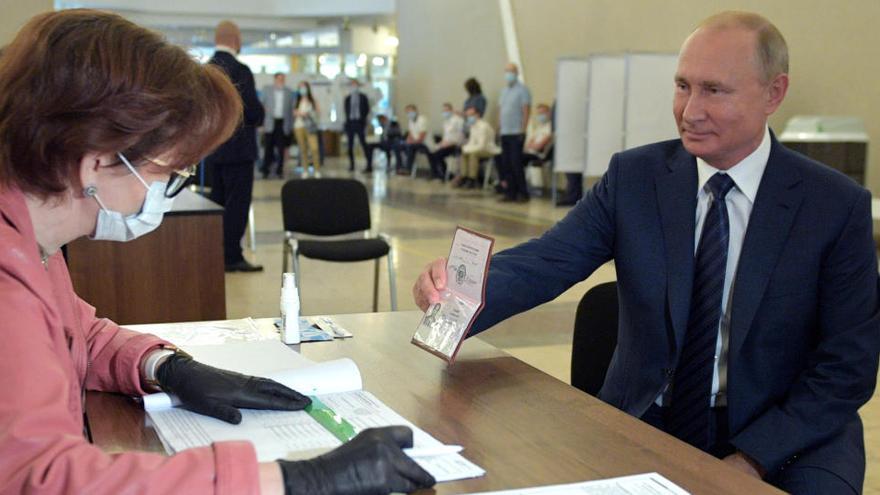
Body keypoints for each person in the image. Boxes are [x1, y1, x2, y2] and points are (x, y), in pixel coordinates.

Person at [414, 11, 879, 494]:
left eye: (714, 91)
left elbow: (848, 365)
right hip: (650, 416)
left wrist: (752, 459)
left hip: (786, 435)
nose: (690, 110)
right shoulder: (634, 179)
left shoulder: (834, 207)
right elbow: (547, 261)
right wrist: (458, 291)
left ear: (773, 93)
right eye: (682, 86)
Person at [0, 10, 435, 495]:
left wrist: (164, 366)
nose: (167, 190)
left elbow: (75, 334)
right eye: (170, 170)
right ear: (97, 162)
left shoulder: (32, 243)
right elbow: (44, 480)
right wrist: (296, 479)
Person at [204, 20, 264, 273]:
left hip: (212, 150)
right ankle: (231, 255)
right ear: (236, 41)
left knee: (216, 202)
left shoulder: (205, 71)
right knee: (237, 203)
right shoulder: (240, 71)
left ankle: (213, 252)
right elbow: (253, 112)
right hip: (239, 150)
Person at [497, 63, 532, 202]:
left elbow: (526, 110)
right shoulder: (504, 91)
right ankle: (510, 192)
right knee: (506, 163)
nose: (508, 74)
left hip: (516, 131)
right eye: (506, 71)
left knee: (516, 163)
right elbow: (501, 110)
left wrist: (523, 129)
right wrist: (498, 127)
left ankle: (523, 193)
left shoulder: (523, 90)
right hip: (505, 131)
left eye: (511, 71)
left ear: (516, 73)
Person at [259, 72, 293, 179]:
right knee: (268, 148)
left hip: (282, 123)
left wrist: (290, 126)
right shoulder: (267, 90)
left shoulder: (288, 92)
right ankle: (266, 170)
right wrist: (261, 123)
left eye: (283, 79)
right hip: (270, 122)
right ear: (275, 79)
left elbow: (290, 110)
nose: (281, 80)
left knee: (281, 148)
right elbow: (261, 106)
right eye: (279, 78)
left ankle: (279, 170)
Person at [457, 107, 500, 189]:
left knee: (473, 154)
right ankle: (464, 177)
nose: (469, 117)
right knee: (464, 153)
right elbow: (471, 142)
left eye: (471, 115)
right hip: (478, 148)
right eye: (468, 115)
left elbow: (481, 145)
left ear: (477, 115)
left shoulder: (483, 126)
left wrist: (467, 149)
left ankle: (472, 179)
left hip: (488, 149)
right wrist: (465, 148)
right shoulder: (473, 126)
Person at [427, 103, 465, 180]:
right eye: (443, 110)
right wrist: (440, 144)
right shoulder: (446, 122)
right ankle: (435, 173)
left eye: (447, 110)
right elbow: (446, 136)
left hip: (455, 145)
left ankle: (443, 174)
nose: (445, 112)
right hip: (446, 143)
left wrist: (449, 143)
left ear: (451, 110)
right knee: (430, 152)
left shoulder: (458, 120)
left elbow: (461, 136)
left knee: (438, 154)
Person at [293, 80, 322, 176]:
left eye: (304, 87)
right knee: (303, 149)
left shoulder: (312, 100)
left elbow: (318, 112)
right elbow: (293, 112)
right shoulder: (297, 100)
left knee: (314, 148)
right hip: (299, 126)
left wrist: (309, 114)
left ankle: (317, 170)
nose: (302, 89)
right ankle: (305, 170)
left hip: (310, 127)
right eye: (300, 87)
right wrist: (299, 113)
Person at [344, 79, 370, 172]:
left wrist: (363, 119)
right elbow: (346, 111)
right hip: (350, 123)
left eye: (355, 85)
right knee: (350, 146)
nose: (354, 87)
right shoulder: (347, 98)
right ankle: (352, 165)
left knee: (364, 144)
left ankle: (368, 164)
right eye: (352, 85)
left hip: (360, 123)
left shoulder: (363, 97)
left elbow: (367, 109)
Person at [399, 104, 430, 175]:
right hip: (414, 142)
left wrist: (411, 142)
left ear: (415, 111)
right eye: (407, 113)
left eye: (410, 112)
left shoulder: (422, 120)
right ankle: (399, 167)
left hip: (423, 143)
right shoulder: (410, 121)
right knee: (398, 145)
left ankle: (408, 169)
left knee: (410, 146)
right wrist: (407, 140)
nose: (409, 114)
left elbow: (421, 138)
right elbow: (410, 134)